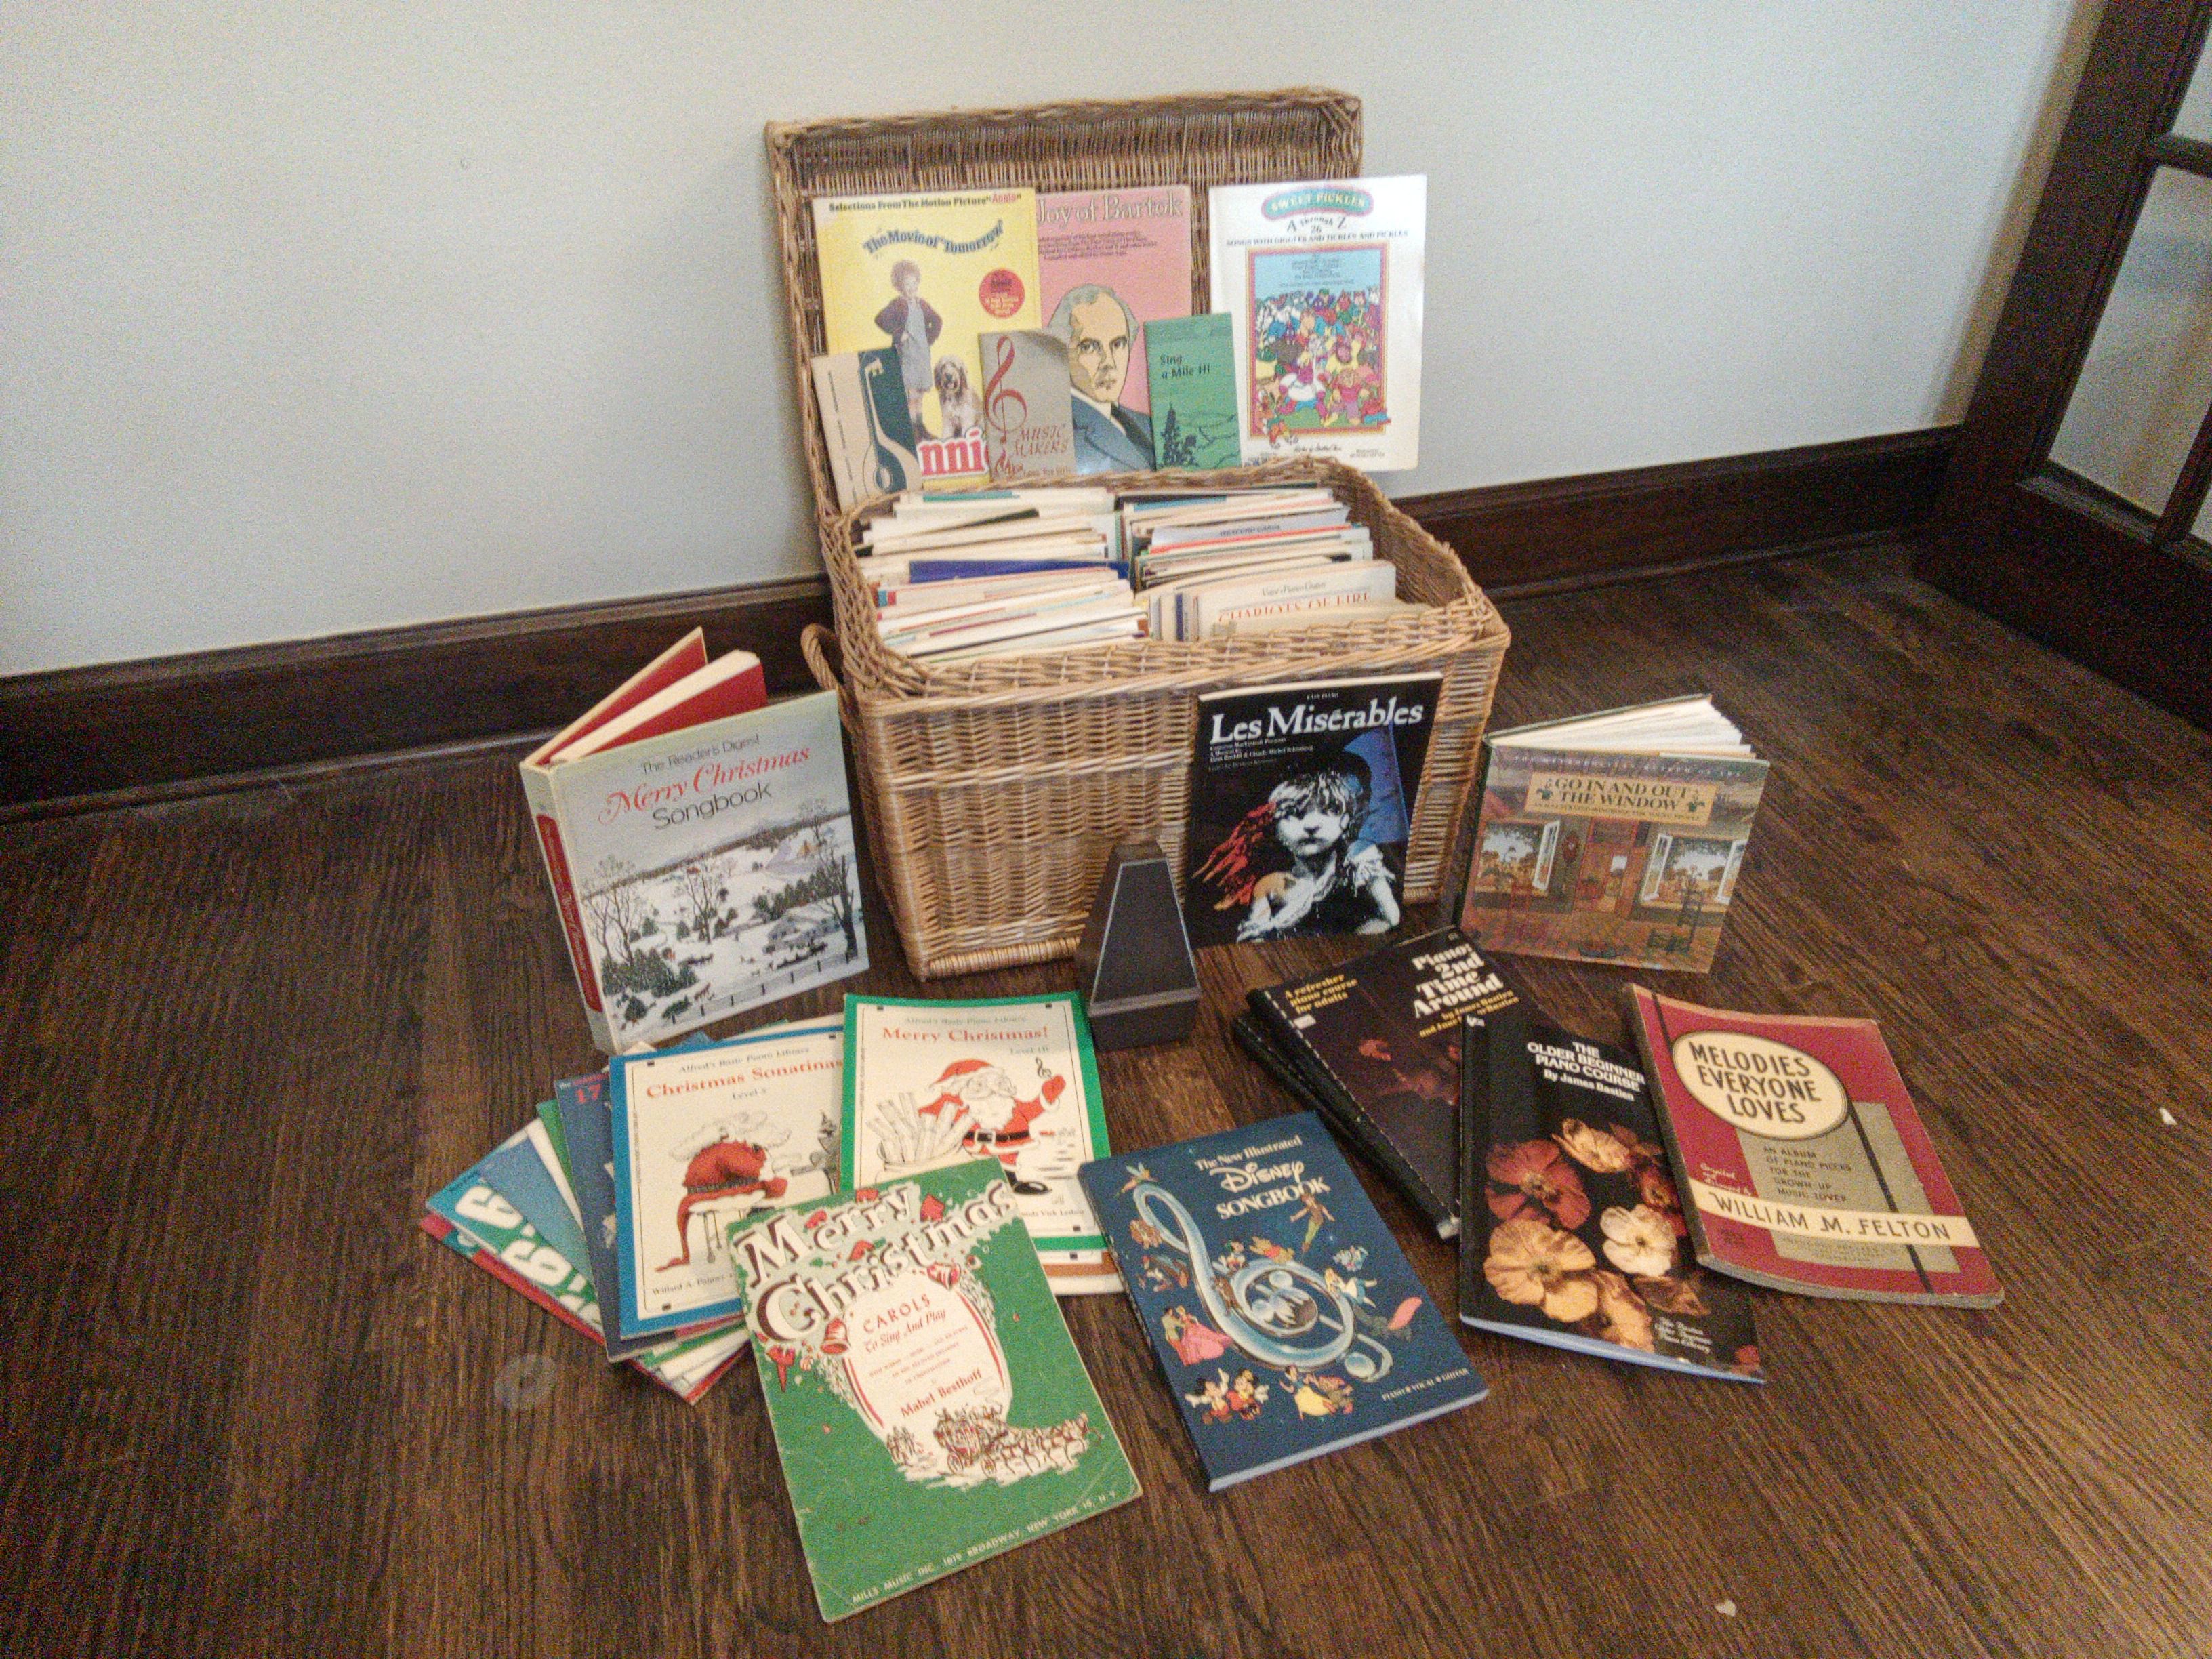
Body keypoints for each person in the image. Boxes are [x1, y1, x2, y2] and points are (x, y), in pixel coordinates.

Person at [1046, 283, 1153, 472]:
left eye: (1118, 344)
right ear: (1061, 353)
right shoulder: (1057, 432)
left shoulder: (1148, 424)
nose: (1109, 362)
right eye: (1089, 347)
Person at [873, 260, 941, 436]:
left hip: (922, 354)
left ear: (918, 282)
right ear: (900, 286)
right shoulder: (898, 304)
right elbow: (880, 319)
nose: (911, 287)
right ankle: (912, 431)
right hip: (908, 354)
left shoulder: (922, 304)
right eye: (907, 284)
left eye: (914, 283)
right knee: (912, 394)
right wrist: (898, 335)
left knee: (920, 393)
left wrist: (929, 338)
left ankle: (920, 426)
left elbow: (937, 321)